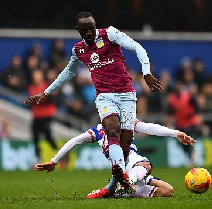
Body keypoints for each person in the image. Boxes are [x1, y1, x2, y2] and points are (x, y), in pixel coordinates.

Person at [25, 11, 163, 193]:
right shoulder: (78, 50)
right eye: (85, 30)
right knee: (112, 129)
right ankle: (121, 175)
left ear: (95, 25)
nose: (90, 32)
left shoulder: (110, 34)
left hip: (127, 94)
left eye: (91, 28)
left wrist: (146, 72)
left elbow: (138, 48)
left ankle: (112, 187)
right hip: (104, 96)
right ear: (78, 30)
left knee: (125, 145)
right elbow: (68, 72)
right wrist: (46, 91)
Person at [34, 120, 196, 198]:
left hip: (132, 169)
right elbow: (75, 140)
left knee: (168, 190)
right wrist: (54, 160)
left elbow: (149, 127)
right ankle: (126, 183)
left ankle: (119, 191)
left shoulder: (126, 121)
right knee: (146, 164)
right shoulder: (97, 131)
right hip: (130, 164)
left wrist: (175, 133)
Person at [27, 69, 58, 162]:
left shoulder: (46, 86)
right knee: (35, 138)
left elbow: (48, 100)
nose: (36, 78)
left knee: (48, 138)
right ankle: (37, 159)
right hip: (36, 116)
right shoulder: (31, 87)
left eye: (38, 76)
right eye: (35, 76)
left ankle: (60, 153)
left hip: (46, 116)